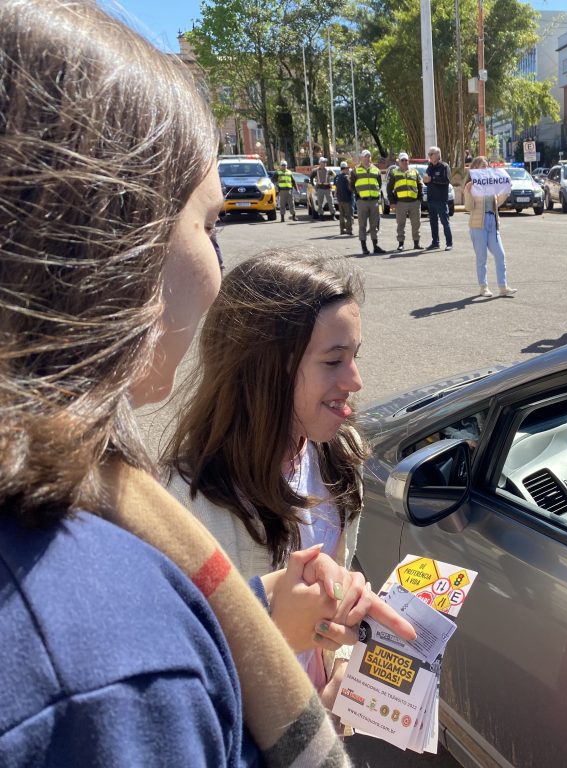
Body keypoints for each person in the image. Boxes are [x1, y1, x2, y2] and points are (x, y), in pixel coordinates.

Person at [0, 3, 413, 764]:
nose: (216, 273)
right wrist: (259, 662)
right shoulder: (107, 657)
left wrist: (279, 620)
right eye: (209, 224)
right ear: (115, 249)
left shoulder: (331, 457)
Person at [164, 249, 371, 694]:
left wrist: (341, 663)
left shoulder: (341, 455)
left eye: (355, 356)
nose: (355, 380)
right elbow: (179, 670)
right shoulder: (186, 502)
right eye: (333, 361)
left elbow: (336, 593)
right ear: (263, 368)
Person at [464, 156, 516, 298]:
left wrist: (506, 189)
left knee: (500, 254)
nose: (485, 168)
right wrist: (468, 192)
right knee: (482, 257)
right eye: (482, 166)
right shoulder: (471, 185)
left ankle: (503, 287)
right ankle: (483, 287)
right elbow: (468, 207)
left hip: (492, 222)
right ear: (475, 168)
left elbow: (497, 202)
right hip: (477, 224)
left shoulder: (491, 184)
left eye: (486, 166)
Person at [388, 152, 423, 251]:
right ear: (399, 161)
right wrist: (392, 202)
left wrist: (419, 199)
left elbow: (420, 186)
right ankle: (401, 244)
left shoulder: (415, 172)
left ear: (408, 161)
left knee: (416, 223)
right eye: (402, 160)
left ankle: (416, 243)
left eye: (406, 160)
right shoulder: (394, 173)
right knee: (401, 224)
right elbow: (389, 189)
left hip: (414, 202)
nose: (404, 162)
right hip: (401, 203)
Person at [353, 149, 385, 254]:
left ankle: (375, 246)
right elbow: (351, 185)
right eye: (365, 156)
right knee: (362, 225)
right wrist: (358, 195)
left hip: (374, 201)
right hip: (362, 201)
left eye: (369, 156)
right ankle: (364, 247)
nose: (367, 158)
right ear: (361, 158)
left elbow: (379, 184)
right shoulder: (356, 170)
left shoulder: (376, 170)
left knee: (374, 225)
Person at [423, 145, 454, 251]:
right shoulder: (430, 166)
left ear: (437, 155)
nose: (429, 156)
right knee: (433, 222)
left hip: (441, 200)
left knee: (445, 222)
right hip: (431, 199)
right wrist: (425, 181)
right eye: (429, 154)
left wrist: (432, 179)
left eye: (431, 154)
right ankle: (435, 243)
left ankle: (449, 243)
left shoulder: (444, 166)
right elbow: (427, 180)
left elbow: (446, 180)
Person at [312, 156, 336, 220]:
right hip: (320, 188)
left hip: (327, 188)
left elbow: (335, 176)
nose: (325, 163)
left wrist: (333, 183)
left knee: (331, 202)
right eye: (323, 162)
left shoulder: (329, 170)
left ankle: (333, 215)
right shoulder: (316, 170)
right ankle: (321, 215)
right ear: (320, 163)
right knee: (320, 203)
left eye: (325, 162)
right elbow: (311, 177)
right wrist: (313, 185)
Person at [335, 160, 354, 236]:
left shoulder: (337, 177)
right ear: (345, 169)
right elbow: (350, 188)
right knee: (349, 215)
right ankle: (349, 230)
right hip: (347, 199)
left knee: (342, 215)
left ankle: (342, 230)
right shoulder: (346, 177)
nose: (348, 170)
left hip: (340, 199)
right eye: (347, 169)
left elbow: (337, 188)